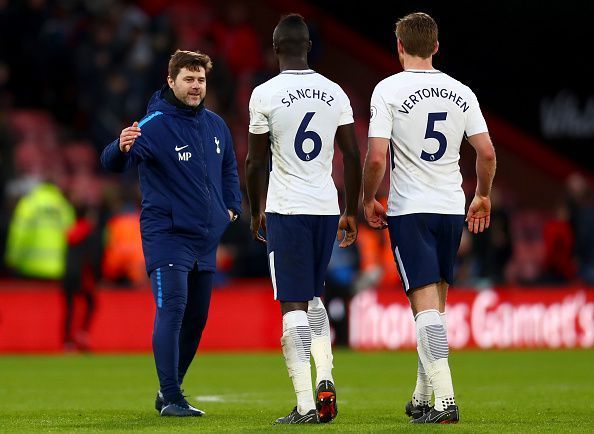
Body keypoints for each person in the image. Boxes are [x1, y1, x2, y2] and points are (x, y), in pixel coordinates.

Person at [362, 12, 496, 424]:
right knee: (435, 306)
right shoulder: (461, 91)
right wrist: (483, 196)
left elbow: (377, 156)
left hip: (411, 210)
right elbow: (487, 153)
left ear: (399, 46)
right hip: (451, 207)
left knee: (424, 309)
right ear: (436, 46)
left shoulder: (388, 90)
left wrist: (368, 198)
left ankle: (446, 402)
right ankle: (422, 397)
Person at [100, 49, 242, 417]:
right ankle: (173, 398)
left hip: (205, 238)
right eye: (188, 80)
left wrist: (230, 209)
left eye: (201, 80)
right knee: (173, 309)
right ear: (171, 81)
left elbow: (229, 168)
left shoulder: (216, 125)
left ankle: (170, 391)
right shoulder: (154, 125)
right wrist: (118, 147)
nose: (196, 87)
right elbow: (112, 162)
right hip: (167, 235)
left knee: (197, 318)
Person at [245, 13, 361, 425]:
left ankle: (305, 403)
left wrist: (256, 208)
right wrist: (351, 210)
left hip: (287, 208)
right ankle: (326, 377)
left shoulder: (265, 94)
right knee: (313, 295)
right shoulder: (335, 92)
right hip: (325, 208)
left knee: (292, 304)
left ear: (275, 48)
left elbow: (255, 161)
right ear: (309, 47)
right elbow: (351, 154)